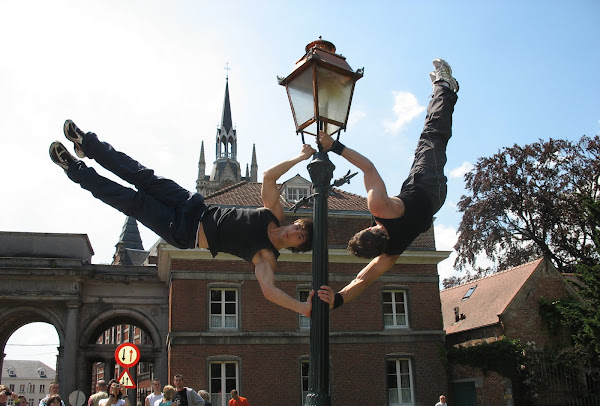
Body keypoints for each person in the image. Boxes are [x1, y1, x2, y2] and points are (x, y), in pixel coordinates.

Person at [49, 123, 317, 316]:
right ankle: (88, 143)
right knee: (141, 175)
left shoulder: (265, 257)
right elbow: (269, 176)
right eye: (298, 226)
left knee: (131, 201)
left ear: (296, 246)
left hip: (183, 230)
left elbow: (269, 291)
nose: (294, 231)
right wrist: (300, 157)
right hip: (192, 203)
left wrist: (301, 307)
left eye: (299, 236)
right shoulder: (273, 214)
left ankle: (75, 169)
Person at [315, 59, 459, 310]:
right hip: (426, 185)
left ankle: (442, 91)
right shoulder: (379, 208)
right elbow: (368, 167)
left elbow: (362, 279)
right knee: (432, 135)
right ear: (370, 230)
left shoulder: (389, 255)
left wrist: (336, 300)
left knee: (428, 140)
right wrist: (334, 146)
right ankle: (446, 86)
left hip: (432, 198)